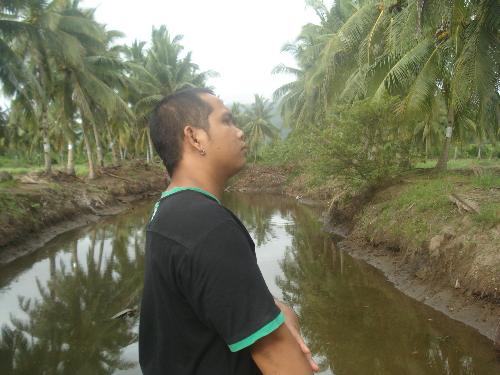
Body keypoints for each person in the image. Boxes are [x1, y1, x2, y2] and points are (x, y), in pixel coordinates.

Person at [139, 88, 319, 375]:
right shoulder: (207, 226)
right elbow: (279, 359)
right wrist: (285, 318)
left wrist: (275, 310)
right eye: (227, 121)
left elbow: (211, 295)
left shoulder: (169, 211)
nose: (240, 132)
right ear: (195, 137)